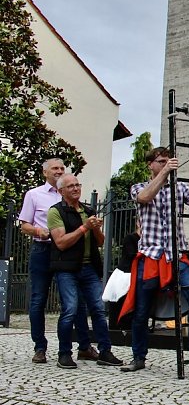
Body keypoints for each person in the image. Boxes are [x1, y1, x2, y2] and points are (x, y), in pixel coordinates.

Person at [118, 148, 189, 372]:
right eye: (161, 162)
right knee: (141, 309)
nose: (166, 164)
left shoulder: (179, 187)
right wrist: (164, 173)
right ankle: (138, 357)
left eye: (168, 161)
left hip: (175, 255)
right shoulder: (139, 187)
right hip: (150, 255)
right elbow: (144, 198)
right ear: (150, 164)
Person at [18, 158, 96, 364]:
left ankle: (84, 346)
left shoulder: (70, 194)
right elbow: (24, 225)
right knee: (38, 300)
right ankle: (40, 347)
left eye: (62, 168)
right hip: (43, 249)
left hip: (68, 251)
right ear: (45, 173)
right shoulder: (34, 195)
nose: (60, 171)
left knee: (75, 300)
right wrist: (38, 231)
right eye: (55, 168)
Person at [47, 174, 123, 369]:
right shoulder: (56, 212)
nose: (75, 188)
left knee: (98, 309)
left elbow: (100, 241)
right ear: (61, 191)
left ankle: (105, 351)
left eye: (77, 185)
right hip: (67, 269)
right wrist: (84, 228)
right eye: (70, 186)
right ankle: (64, 353)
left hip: (89, 268)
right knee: (70, 309)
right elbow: (61, 242)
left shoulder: (88, 210)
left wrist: (95, 229)